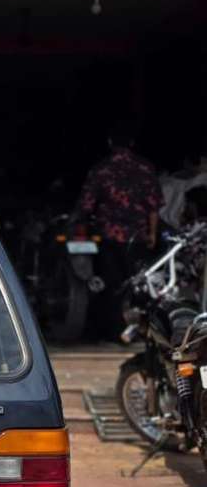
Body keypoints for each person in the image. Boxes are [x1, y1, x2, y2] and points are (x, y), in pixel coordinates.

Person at [79, 122, 163, 340]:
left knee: (113, 285)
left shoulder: (101, 168)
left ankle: (115, 331)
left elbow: (87, 205)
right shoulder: (145, 167)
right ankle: (143, 332)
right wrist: (153, 234)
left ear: (110, 143)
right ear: (132, 143)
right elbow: (153, 206)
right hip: (138, 237)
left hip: (109, 236)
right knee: (140, 285)